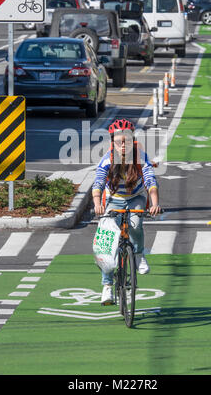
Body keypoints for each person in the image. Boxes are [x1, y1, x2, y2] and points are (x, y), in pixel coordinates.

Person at [92, 118, 161, 305]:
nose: (123, 145)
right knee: (106, 243)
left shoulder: (141, 157)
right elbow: (98, 183)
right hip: (113, 200)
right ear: (112, 142)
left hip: (136, 197)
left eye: (127, 141)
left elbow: (150, 182)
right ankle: (107, 287)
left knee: (136, 223)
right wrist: (97, 204)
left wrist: (154, 204)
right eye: (119, 142)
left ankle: (138, 254)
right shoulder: (107, 160)